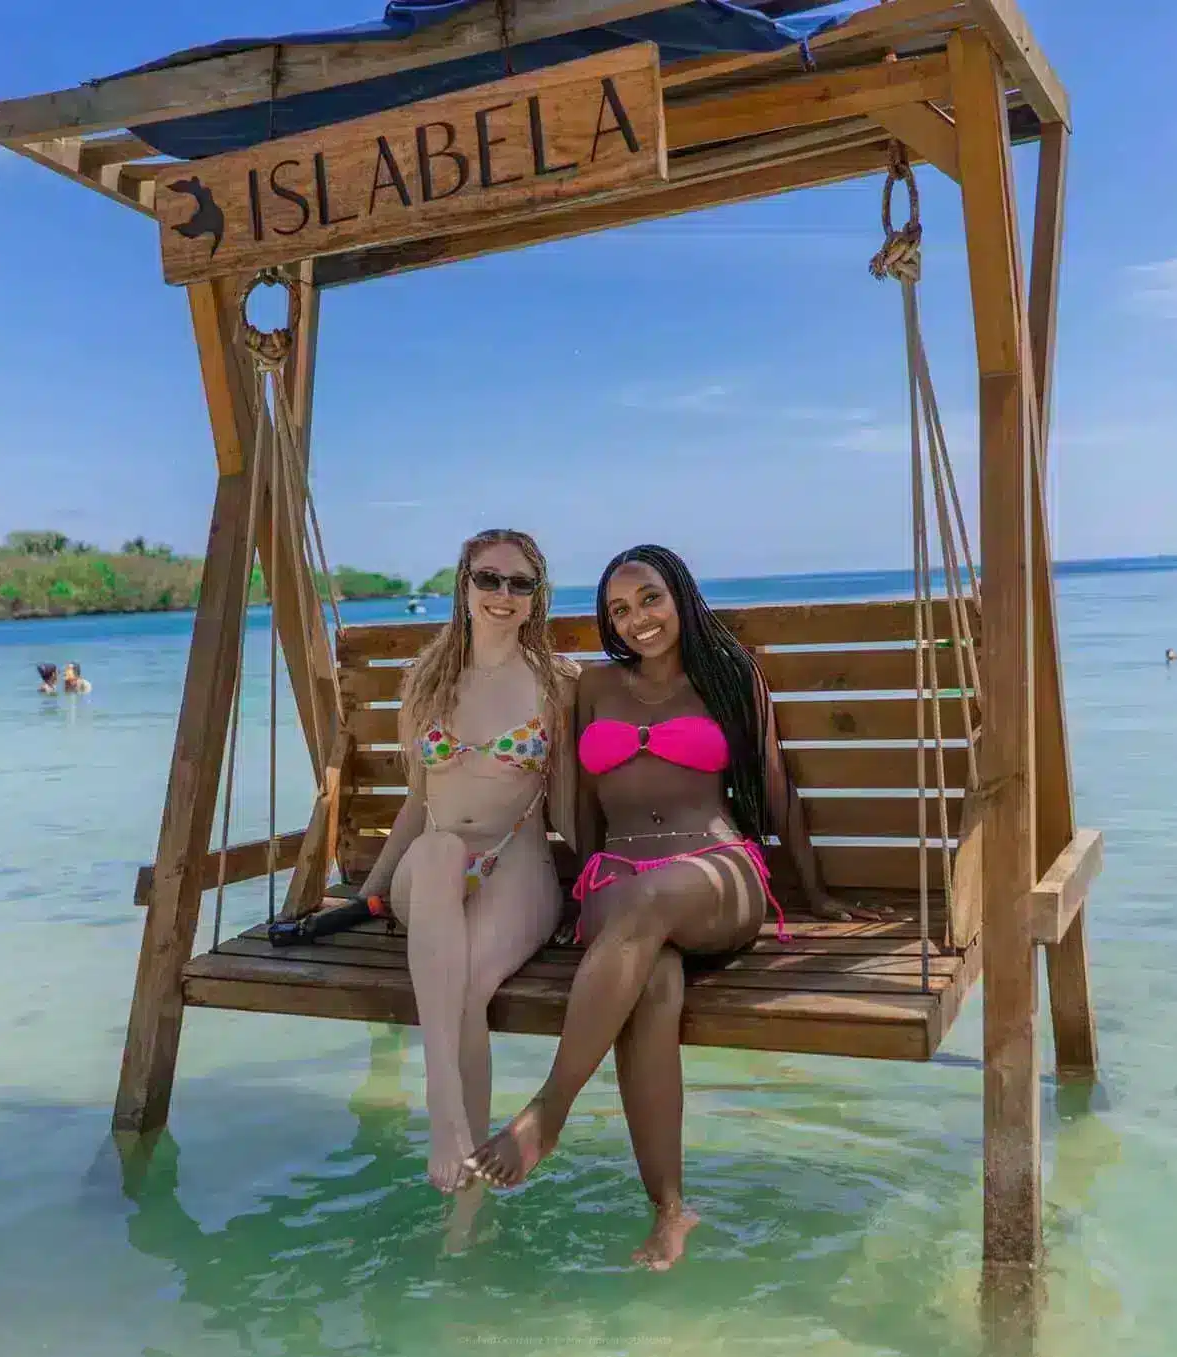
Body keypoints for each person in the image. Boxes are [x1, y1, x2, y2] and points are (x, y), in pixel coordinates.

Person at [465, 543, 872, 1269]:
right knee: (651, 982)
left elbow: (776, 787)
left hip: (716, 873)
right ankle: (670, 1210)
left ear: (679, 594)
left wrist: (814, 892)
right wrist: (569, 893)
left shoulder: (729, 676)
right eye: (620, 609)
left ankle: (549, 1110)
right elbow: (578, 804)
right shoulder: (593, 686)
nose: (638, 618)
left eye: (650, 597)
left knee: (651, 901)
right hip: (617, 880)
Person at [352, 529, 579, 1193]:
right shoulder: (426, 679)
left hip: (517, 864)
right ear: (464, 584)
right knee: (440, 847)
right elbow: (417, 802)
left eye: (520, 583)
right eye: (489, 578)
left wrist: (599, 889)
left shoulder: (559, 684)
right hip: (431, 875)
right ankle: (443, 1101)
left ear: (537, 597)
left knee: (471, 989)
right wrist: (368, 890)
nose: (503, 594)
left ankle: (467, 1208)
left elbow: (568, 804)